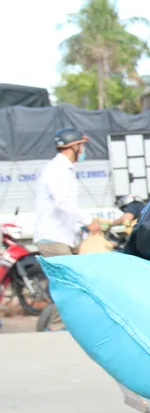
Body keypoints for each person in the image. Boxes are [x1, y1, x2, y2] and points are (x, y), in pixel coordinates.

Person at [34, 128, 105, 330]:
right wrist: (88, 221)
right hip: (53, 237)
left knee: (69, 282)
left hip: (61, 236)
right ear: (73, 147)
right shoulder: (57, 170)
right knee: (66, 285)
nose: (83, 150)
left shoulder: (63, 169)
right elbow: (63, 203)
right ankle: (55, 328)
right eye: (81, 146)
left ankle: (58, 325)